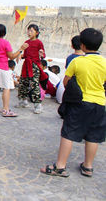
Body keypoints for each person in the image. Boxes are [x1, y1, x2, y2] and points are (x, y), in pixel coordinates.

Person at [40, 28, 106, 178]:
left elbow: (66, 81)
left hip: (80, 102)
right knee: (93, 136)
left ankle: (60, 166)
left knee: (68, 133)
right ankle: (88, 166)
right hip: (100, 103)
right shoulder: (104, 62)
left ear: (82, 45)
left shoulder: (78, 62)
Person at [0, 24, 27, 117]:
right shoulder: (5, 43)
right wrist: (21, 50)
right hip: (2, 67)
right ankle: (6, 110)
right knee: (6, 87)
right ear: (4, 33)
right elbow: (11, 56)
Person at [16, 24, 48, 114]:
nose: (29, 32)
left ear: (36, 33)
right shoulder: (27, 42)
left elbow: (43, 54)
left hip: (34, 66)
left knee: (34, 84)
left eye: (31, 31)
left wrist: (42, 54)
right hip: (26, 65)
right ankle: (23, 101)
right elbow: (25, 54)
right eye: (28, 30)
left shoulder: (39, 42)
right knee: (23, 82)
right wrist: (20, 56)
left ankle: (38, 105)